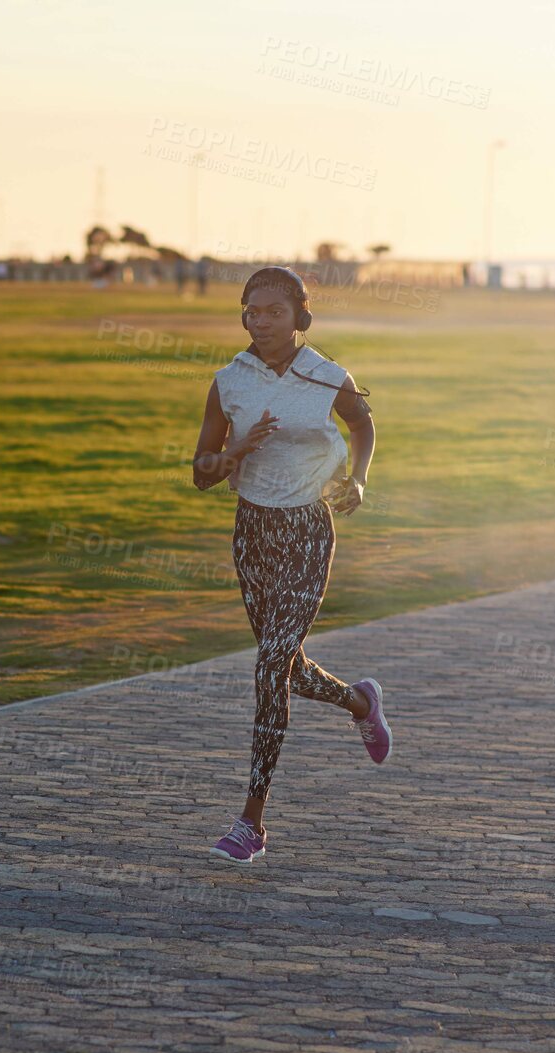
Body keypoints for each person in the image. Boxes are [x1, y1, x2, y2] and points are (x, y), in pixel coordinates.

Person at [191, 266, 392, 864]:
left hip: (307, 530)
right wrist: (232, 453)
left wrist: (358, 478)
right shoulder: (230, 381)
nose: (260, 321)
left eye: (274, 311)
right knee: (285, 667)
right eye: (251, 311)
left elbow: (363, 425)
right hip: (252, 533)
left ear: (300, 316)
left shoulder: (328, 377)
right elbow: (200, 474)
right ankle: (360, 703)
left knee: (268, 668)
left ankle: (251, 820)